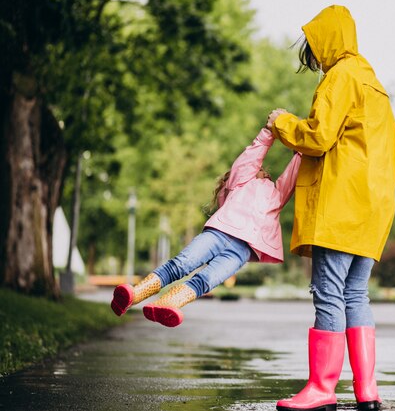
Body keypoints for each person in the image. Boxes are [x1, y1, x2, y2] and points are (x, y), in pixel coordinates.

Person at [266, 5, 395, 411]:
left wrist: (282, 122)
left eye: (313, 47)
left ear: (326, 41)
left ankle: (322, 389)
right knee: (355, 293)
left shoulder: (340, 77)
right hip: (373, 208)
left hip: (341, 206)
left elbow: (319, 136)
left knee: (328, 293)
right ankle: (367, 391)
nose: (312, 56)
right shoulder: (373, 81)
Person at [110, 127, 301, 327]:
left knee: (206, 281)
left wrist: (301, 149)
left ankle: (168, 303)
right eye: (259, 169)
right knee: (181, 265)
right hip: (219, 233)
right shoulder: (241, 181)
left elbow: (292, 176)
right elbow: (252, 156)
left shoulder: (276, 195)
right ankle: (135, 293)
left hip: (242, 249)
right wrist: (269, 131)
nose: (264, 171)